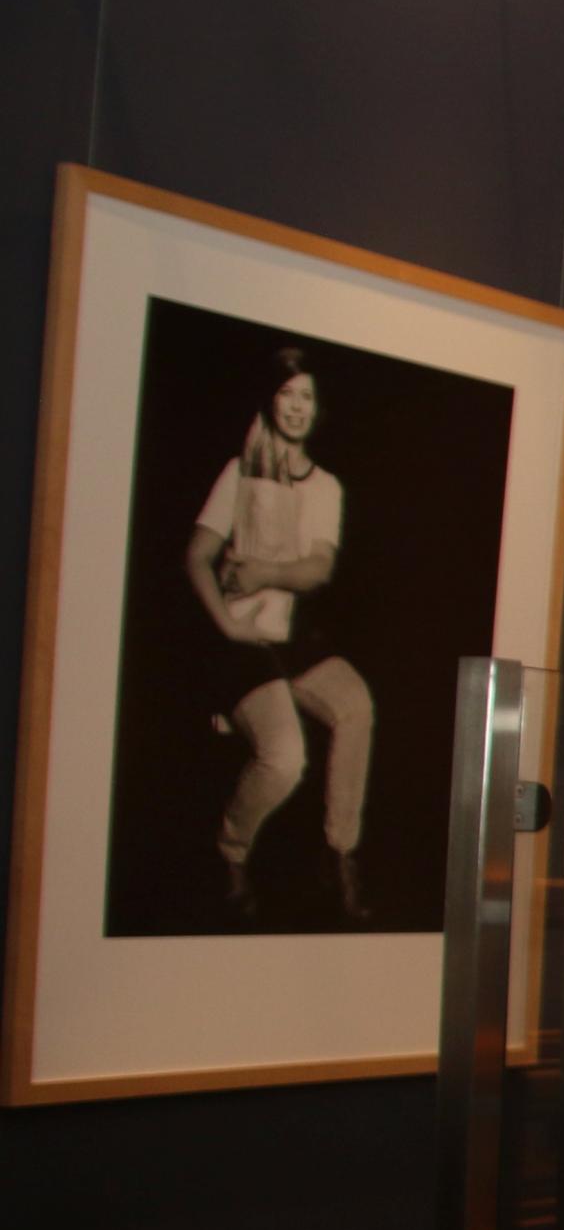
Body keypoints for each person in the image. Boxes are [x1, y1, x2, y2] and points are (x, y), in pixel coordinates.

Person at [185, 344, 372, 922]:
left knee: (357, 708)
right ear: (272, 401)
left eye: (307, 396)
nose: (297, 406)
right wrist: (227, 624)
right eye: (287, 394)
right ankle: (229, 852)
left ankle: (338, 856)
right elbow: (199, 557)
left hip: (295, 646)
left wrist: (263, 570)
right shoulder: (240, 472)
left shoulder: (325, 487)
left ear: (318, 409)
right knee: (286, 759)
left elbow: (317, 566)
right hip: (245, 647)